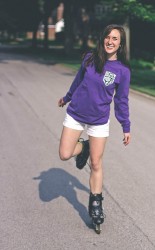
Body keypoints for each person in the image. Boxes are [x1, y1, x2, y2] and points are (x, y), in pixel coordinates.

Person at [58, 24, 131, 227]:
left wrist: (126, 125)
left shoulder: (122, 71)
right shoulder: (90, 58)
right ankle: (86, 147)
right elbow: (78, 80)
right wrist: (67, 97)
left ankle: (96, 204)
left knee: (96, 164)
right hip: (76, 114)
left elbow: (122, 100)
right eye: (107, 37)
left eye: (115, 38)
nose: (110, 41)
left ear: (120, 43)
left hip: (99, 120)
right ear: (103, 39)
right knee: (64, 154)